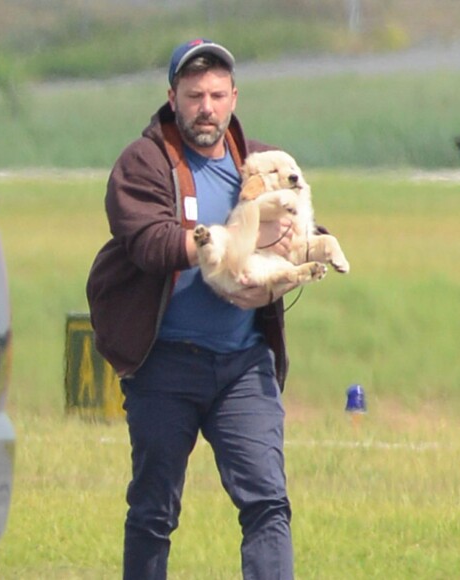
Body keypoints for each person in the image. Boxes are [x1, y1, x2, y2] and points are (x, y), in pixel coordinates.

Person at [87, 38, 300, 580]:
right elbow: (150, 242)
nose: (206, 107)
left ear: (233, 97)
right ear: (172, 97)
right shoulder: (144, 161)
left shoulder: (261, 163)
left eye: (216, 95)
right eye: (194, 95)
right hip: (165, 364)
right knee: (154, 510)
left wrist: (300, 245)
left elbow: (300, 220)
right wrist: (223, 245)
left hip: (242, 362)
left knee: (268, 502)